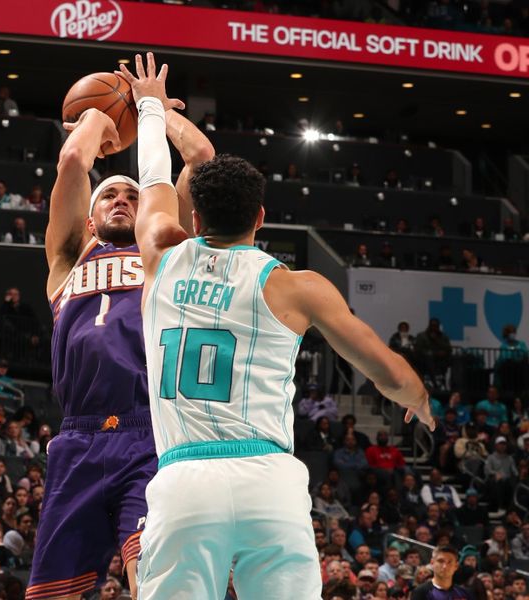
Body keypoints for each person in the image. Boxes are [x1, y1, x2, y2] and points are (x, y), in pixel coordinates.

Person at [121, 52, 432, 600]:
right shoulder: (297, 286)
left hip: (184, 482)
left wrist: (148, 107)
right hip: (269, 478)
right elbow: (387, 371)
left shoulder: (159, 254)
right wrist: (418, 397)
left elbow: (153, 178)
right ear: (261, 218)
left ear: (194, 219)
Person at [26, 53, 215, 600]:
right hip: (78, 439)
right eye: (110, 192)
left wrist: (149, 106)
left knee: (152, 583)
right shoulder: (67, 258)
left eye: (134, 195)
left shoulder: (162, 251)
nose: (123, 200)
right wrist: (96, 120)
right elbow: (70, 164)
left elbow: (200, 155)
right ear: (89, 216)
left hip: (150, 432)